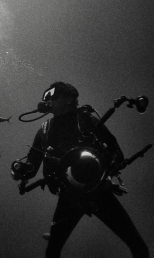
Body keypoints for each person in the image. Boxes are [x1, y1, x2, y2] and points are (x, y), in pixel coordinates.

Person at [11, 82, 149, 258]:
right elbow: (31, 167)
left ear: (69, 98)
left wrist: (105, 164)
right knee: (52, 252)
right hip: (70, 196)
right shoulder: (45, 131)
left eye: (52, 94)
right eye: (45, 96)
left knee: (137, 245)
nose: (46, 99)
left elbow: (116, 152)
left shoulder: (86, 120)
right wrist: (20, 170)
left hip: (98, 191)